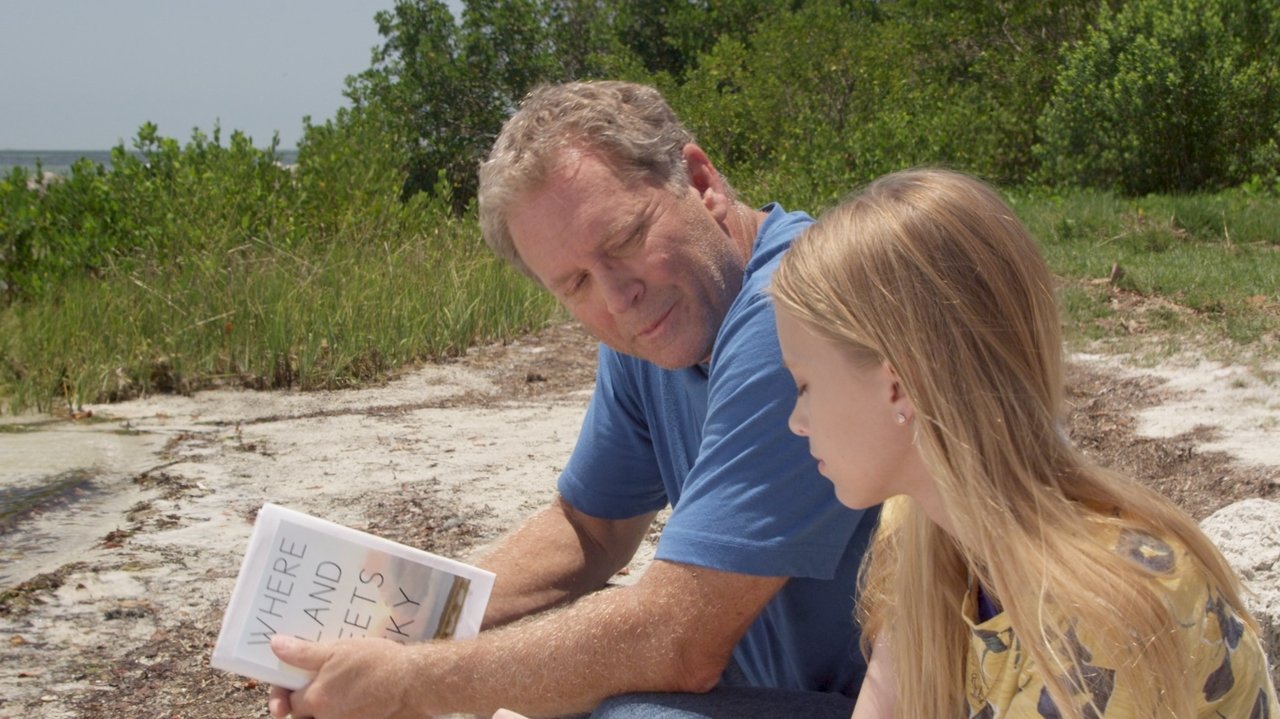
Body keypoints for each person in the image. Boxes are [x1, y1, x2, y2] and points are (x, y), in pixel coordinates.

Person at [267, 80, 878, 719]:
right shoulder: (654, 328)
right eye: (577, 282)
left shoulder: (794, 310)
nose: (617, 297)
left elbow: (678, 640)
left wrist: (407, 682)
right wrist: (399, 623)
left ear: (701, 182)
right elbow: (590, 529)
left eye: (625, 239)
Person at [767, 168, 1280, 718]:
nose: (797, 421)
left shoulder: (1101, 620)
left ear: (899, 385)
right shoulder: (922, 529)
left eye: (804, 385)